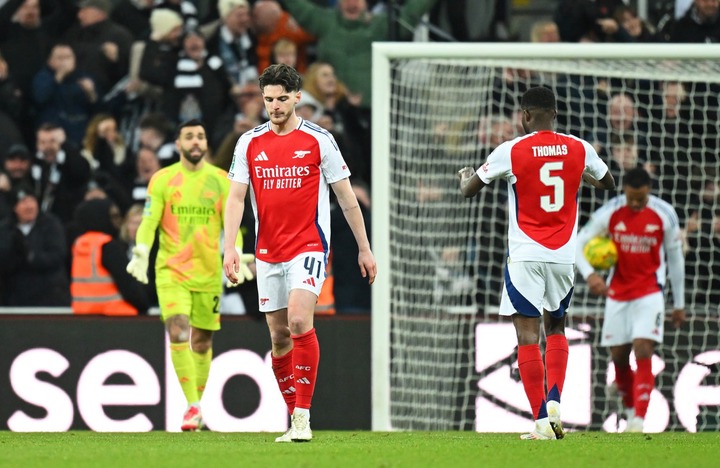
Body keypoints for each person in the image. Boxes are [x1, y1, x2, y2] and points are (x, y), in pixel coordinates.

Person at [222, 63, 377, 442]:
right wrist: (230, 247)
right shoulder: (249, 143)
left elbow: (347, 198)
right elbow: (236, 199)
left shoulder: (319, 140)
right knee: (277, 337)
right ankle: (294, 415)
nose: (274, 106)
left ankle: (303, 417)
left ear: (296, 98)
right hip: (266, 251)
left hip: (308, 246)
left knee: (297, 321)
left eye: (280, 99)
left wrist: (364, 248)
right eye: (268, 99)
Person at [458, 86, 615, 440]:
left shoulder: (511, 150)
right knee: (557, 328)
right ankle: (556, 399)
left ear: (525, 115)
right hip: (563, 256)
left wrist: (465, 177)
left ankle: (542, 421)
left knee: (527, 337)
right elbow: (608, 182)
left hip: (526, 255)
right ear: (555, 114)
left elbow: (470, 191)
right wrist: (580, 177)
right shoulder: (579, 147)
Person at [126, 119, 255, 431]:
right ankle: (193, 405)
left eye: (200, 136)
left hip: (208, 272)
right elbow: (148, 220)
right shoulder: (163, 179)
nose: (196, 141)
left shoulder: (223, 180)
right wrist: (142, 250)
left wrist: (234, 252)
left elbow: (233, 225)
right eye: (189, 137)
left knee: (202, 340)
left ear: (206, 143)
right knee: (179, 329)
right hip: (170, 271)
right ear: (178, 143)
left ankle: (194, 408)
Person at [576, 167, 685, 433]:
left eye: (642, 198)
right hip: (617, 293)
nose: (636, 203)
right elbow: (579, 242)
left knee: (643, 349)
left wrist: (678, 303)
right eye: (632, 198)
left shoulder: (664, 213)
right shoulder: (610, 212)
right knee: (619, 358)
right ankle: (629, 410)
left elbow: (675, 258)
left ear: (649, 191)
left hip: (650, 292)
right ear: (624, 190)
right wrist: (591, 276)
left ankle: (638, 420)